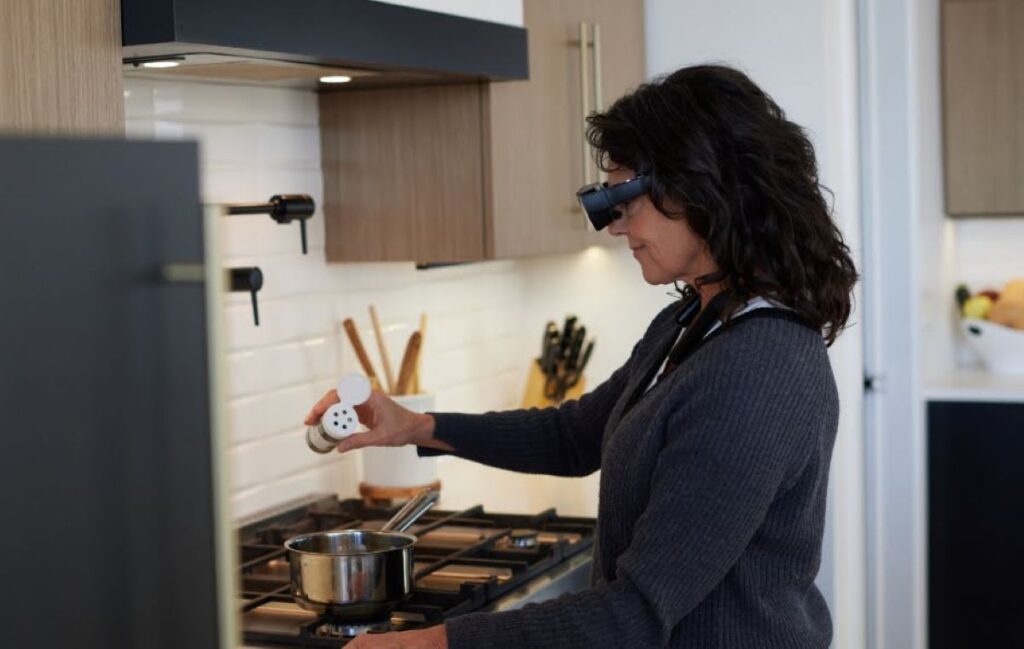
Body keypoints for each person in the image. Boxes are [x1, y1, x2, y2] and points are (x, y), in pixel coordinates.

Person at [304, 64, 858, 649]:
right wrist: (416, 426)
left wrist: (425, 645)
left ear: (702, 190)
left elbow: (635, 614)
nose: (613, 228)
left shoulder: (755, 370)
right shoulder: (695, 320)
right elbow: (577, 435)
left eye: (622, 201)